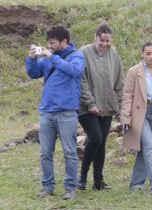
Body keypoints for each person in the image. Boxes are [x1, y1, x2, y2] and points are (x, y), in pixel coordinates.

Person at [26, 25, 85, 200]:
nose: (49, 46)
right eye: (48, 44)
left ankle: (70, 188)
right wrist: (31, 58)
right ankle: (48, 186)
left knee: (69, 152)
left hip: (66, 112)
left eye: (53, 43)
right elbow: (34, 73)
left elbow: (73, 70)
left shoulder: (77, 56)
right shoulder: (46, 57)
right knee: (45, 152)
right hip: (46, 112)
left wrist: (52, 57)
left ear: (64, 41)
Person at [120, 41, 152, 192]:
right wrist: (125, 117)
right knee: (150, 146)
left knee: (146, 148)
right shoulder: (133, 71)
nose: (151, 57)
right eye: (148, 54)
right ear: (142, 54)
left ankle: (136, 183)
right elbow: (127, 96)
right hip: (140, 113)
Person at [78, 23, 124, 191]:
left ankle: (98, 180)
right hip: (86, 107)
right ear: (95, 38)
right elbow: (81, 81)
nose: (104, 44)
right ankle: (82, 176)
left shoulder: (114, 55)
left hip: (107, 106)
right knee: (95, 138)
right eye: (101, 41)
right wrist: (89, 103)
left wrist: (120, 105)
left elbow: (119, 82)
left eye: (107, 41)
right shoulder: (83, 53)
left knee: (102, 142)